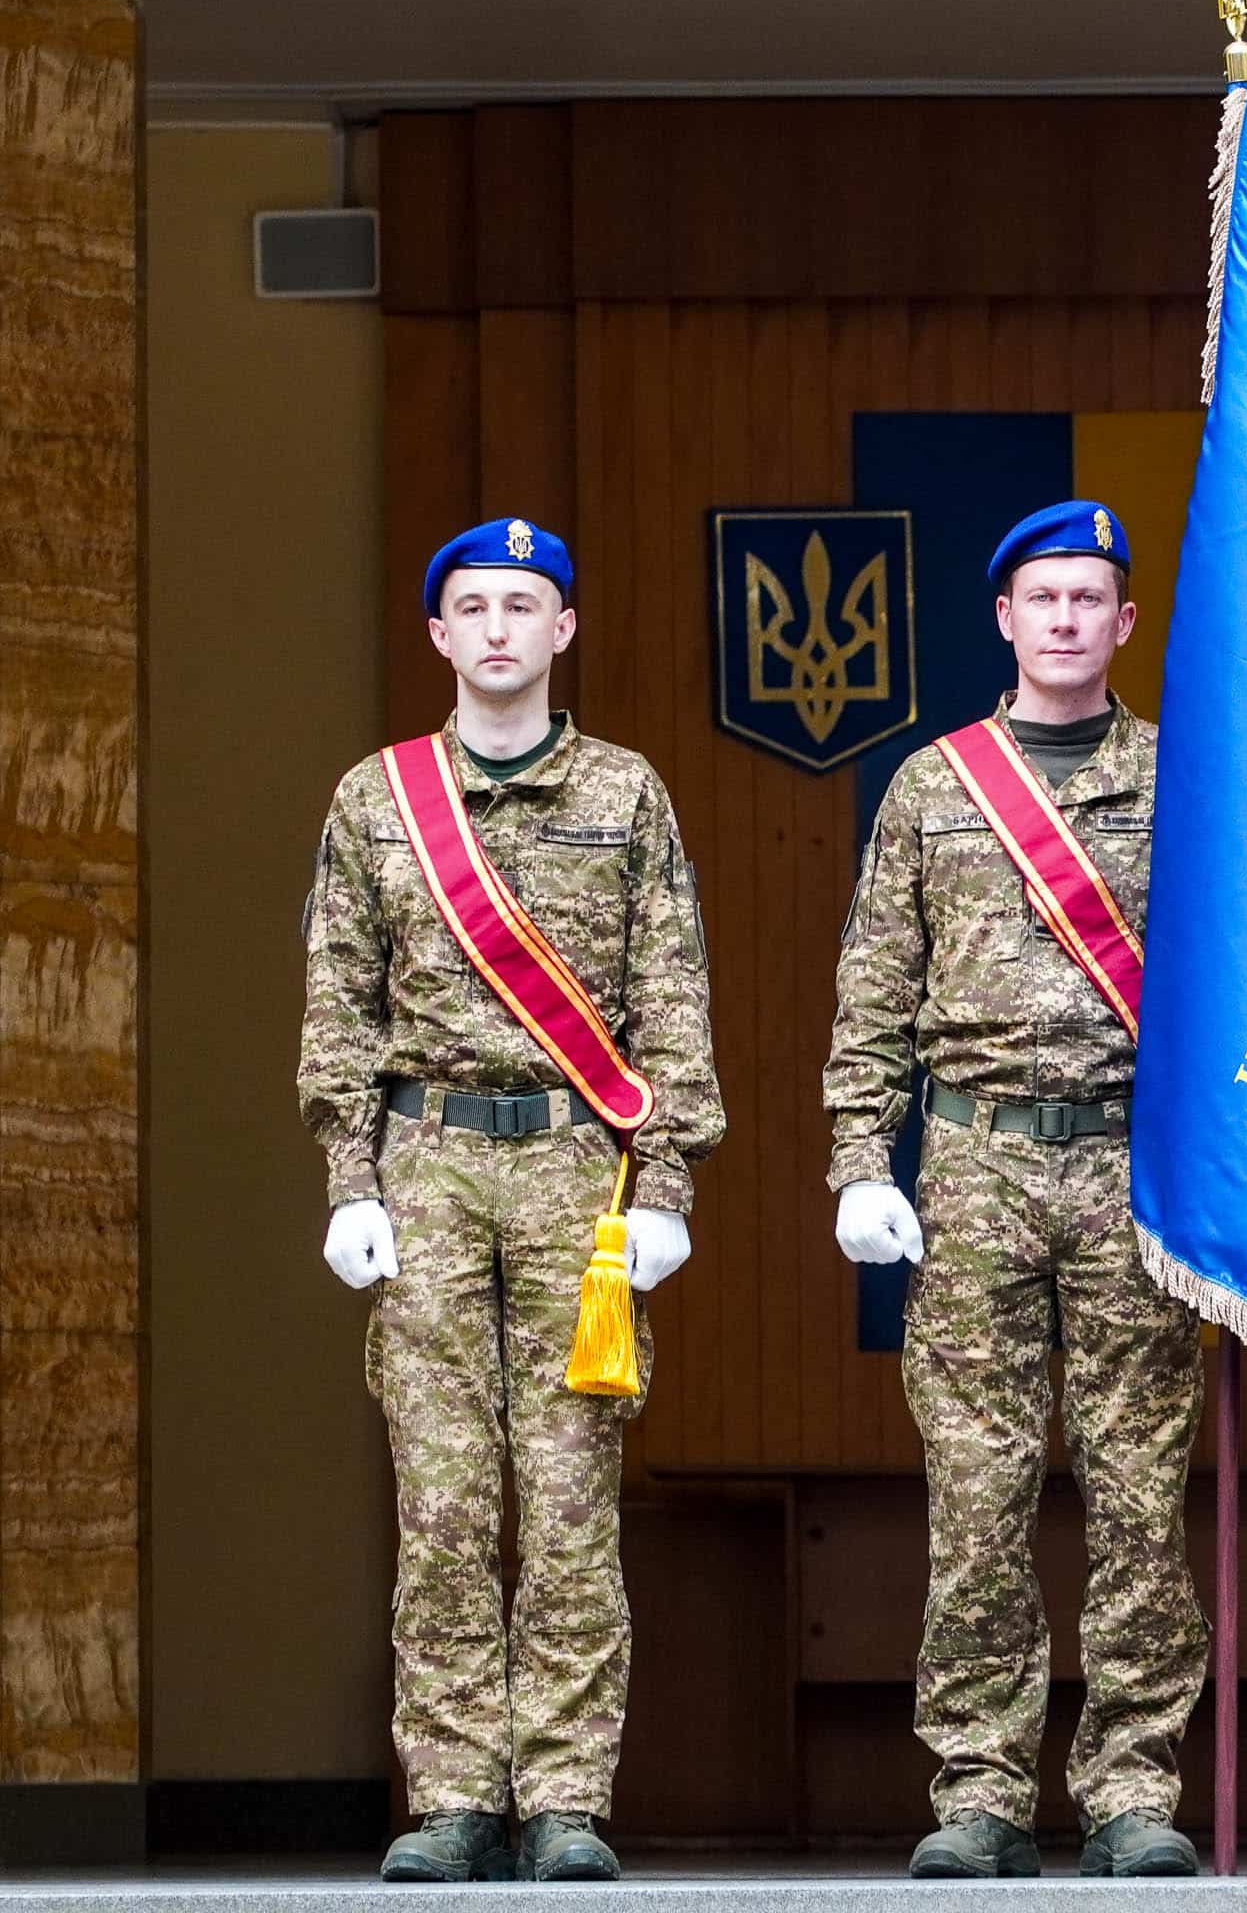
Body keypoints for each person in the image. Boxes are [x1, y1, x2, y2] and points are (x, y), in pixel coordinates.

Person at [297, 517, 724, 1883]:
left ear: (563, 632)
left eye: (521, 606)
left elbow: (672, 997)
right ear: (437, 635)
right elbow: (336, 1007)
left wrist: (668, 1184)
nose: (495, 628)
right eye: (471, 607)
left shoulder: (626, 793)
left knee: (569, 1490)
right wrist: (346, 1179)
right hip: (424, 1164)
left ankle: (565, 1798)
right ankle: (454, 1795)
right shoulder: (378, 802)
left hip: (572, 1174)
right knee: (441, 1492)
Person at [822, 500, 1208, 1880]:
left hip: (1129, 1164)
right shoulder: (936, 786)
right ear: (1003, 618)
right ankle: (980, 1789)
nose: (1061, 619)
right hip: (975, 1163)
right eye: (1039, 597)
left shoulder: (1183, 779)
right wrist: (860, 1164)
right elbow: (875, 993)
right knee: (977, 1493)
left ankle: (1130, 1788)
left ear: (1124, 621)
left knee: (1137, 1492)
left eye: (1087, 598)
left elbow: (1233, 999)